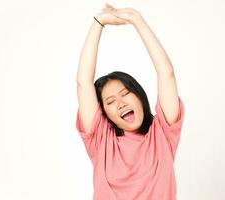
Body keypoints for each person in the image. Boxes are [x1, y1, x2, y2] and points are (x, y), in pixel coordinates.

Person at [75, 3, 185, 200]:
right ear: (105, 113)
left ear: (138, 95)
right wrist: (98, 23)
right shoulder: (101, 139)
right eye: (110, 101)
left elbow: (166, 73)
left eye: (125, 93)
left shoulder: (163, 133)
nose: (120, 103)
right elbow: (83, 82)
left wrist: (137, 20)